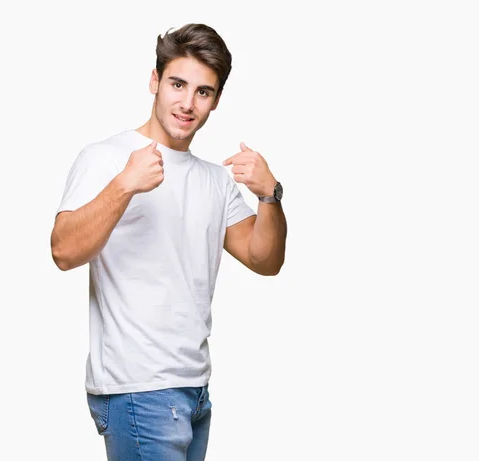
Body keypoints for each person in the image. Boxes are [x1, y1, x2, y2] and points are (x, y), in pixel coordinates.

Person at [50, 23, 287, 461]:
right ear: (155, 81)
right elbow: (63, 251)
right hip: (138, 389)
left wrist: (268, 196)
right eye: (178, 84)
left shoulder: (214, 180)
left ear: (215, 100)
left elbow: (264, 259)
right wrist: (124, 185)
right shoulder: (106, 157)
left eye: (203, 91)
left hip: (195, 390)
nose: (187, 103)